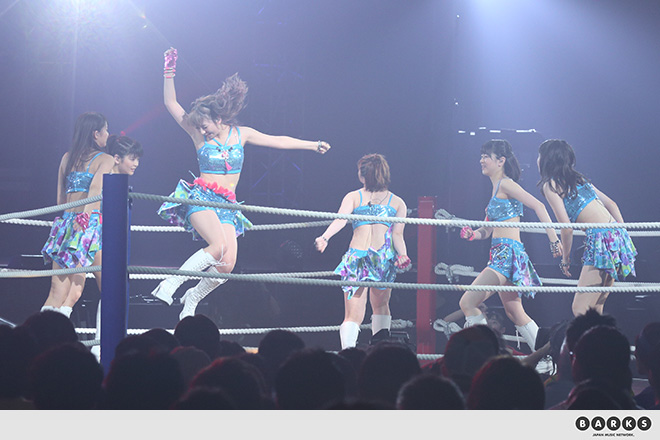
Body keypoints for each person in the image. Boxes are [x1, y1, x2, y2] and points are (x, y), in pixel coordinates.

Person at [151, 47, 331, 321]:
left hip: (228, 206)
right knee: (217, 247)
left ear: (219, 119)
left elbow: (278, 140)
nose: (202, 130)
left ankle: (192, 300)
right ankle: (170, 284)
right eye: (199, 127)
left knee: (226, 265)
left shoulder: (241, 134)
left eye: (206, 126)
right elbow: (170, 102)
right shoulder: (197, 134)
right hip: (201, 198)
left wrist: (312, 145)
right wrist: (169, 69)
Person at [458, 139, 562, 352]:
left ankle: (485, 352)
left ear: (501, 161)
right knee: (515, 311)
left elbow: (539, 206)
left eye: (486, 156)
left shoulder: (506, 184)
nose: (481, 160)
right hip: (502, 253)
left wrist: (554, 240)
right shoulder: (496, 187)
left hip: (506, 255)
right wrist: (473, 235)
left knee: (467, 302)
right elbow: (487, 229)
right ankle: (545, 356)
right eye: (481, 156)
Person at [314, 153, 411, 349]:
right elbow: (340, 220)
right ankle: (349, 353)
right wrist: (325, 237)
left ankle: (380, 350)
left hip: (382, 259)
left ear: (365, 174)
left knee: (380, 306)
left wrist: (403, 255)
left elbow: (397, 234)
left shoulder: (397, 202)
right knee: (354, 313)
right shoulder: (354, 197)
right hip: (358, 258)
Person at [537, 139, 637, 316]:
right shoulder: (579, 179)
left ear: (546, 159)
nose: (537, 159)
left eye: (539, 155)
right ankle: (600, 335)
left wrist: (565, 259)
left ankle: (589, 335)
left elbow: (566, 228)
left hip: (600, 239)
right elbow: (612, 204)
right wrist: (622, 235)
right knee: (596, 307)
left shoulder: (550, 185)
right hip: (616, 234)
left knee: (580, 308)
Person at [40, 112, 114, 318]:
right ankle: (106, 334)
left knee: (58, 292)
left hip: (65, 226)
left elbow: (60, 200)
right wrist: (84, 220)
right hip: (88, 226)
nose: (108, 134)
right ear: (95, 134)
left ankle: (38, 334)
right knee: (84, 291)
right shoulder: (106, 159)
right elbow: (95, 191)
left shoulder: (67, 158)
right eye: (106, 130)